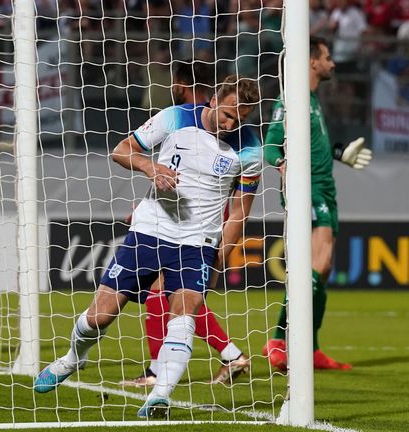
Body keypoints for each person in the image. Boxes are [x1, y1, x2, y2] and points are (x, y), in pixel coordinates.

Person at [34, 75, 261, 418]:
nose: (231, 124)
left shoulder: (251, 149)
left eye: (240, 120)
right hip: (150, 231)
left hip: (197, 243)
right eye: (228, 114)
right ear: (214, 100)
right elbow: (121, 150)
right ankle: (72, 359)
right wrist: (149, 167)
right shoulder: (174, 117)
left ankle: (160, 396)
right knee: (100, 316)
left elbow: (240, 211)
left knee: (183, 314)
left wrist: (220, 259)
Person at [121, 61, 250, 388]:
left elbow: (234, 205)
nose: (231, 122)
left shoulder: (192, 118)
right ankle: (219, 357)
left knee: (171, 295)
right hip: (181, 215)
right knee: (163, 294)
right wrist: (147, 208)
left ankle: (224, 356)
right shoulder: (187, 117)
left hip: (200, 223)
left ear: (181, 84)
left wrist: (221, 251)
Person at [262, 36, 372, 371]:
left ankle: (310, 349)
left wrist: (339, 152)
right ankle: (280, 339)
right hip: (308, 190)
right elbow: (270, 145)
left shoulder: (310, 100)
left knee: (321, 271)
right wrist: (283, 167)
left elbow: (311, 144)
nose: (333, 63)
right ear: (312, 62)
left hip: (325, 188)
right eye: (327, 57)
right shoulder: (292, 97)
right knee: (317, 264)